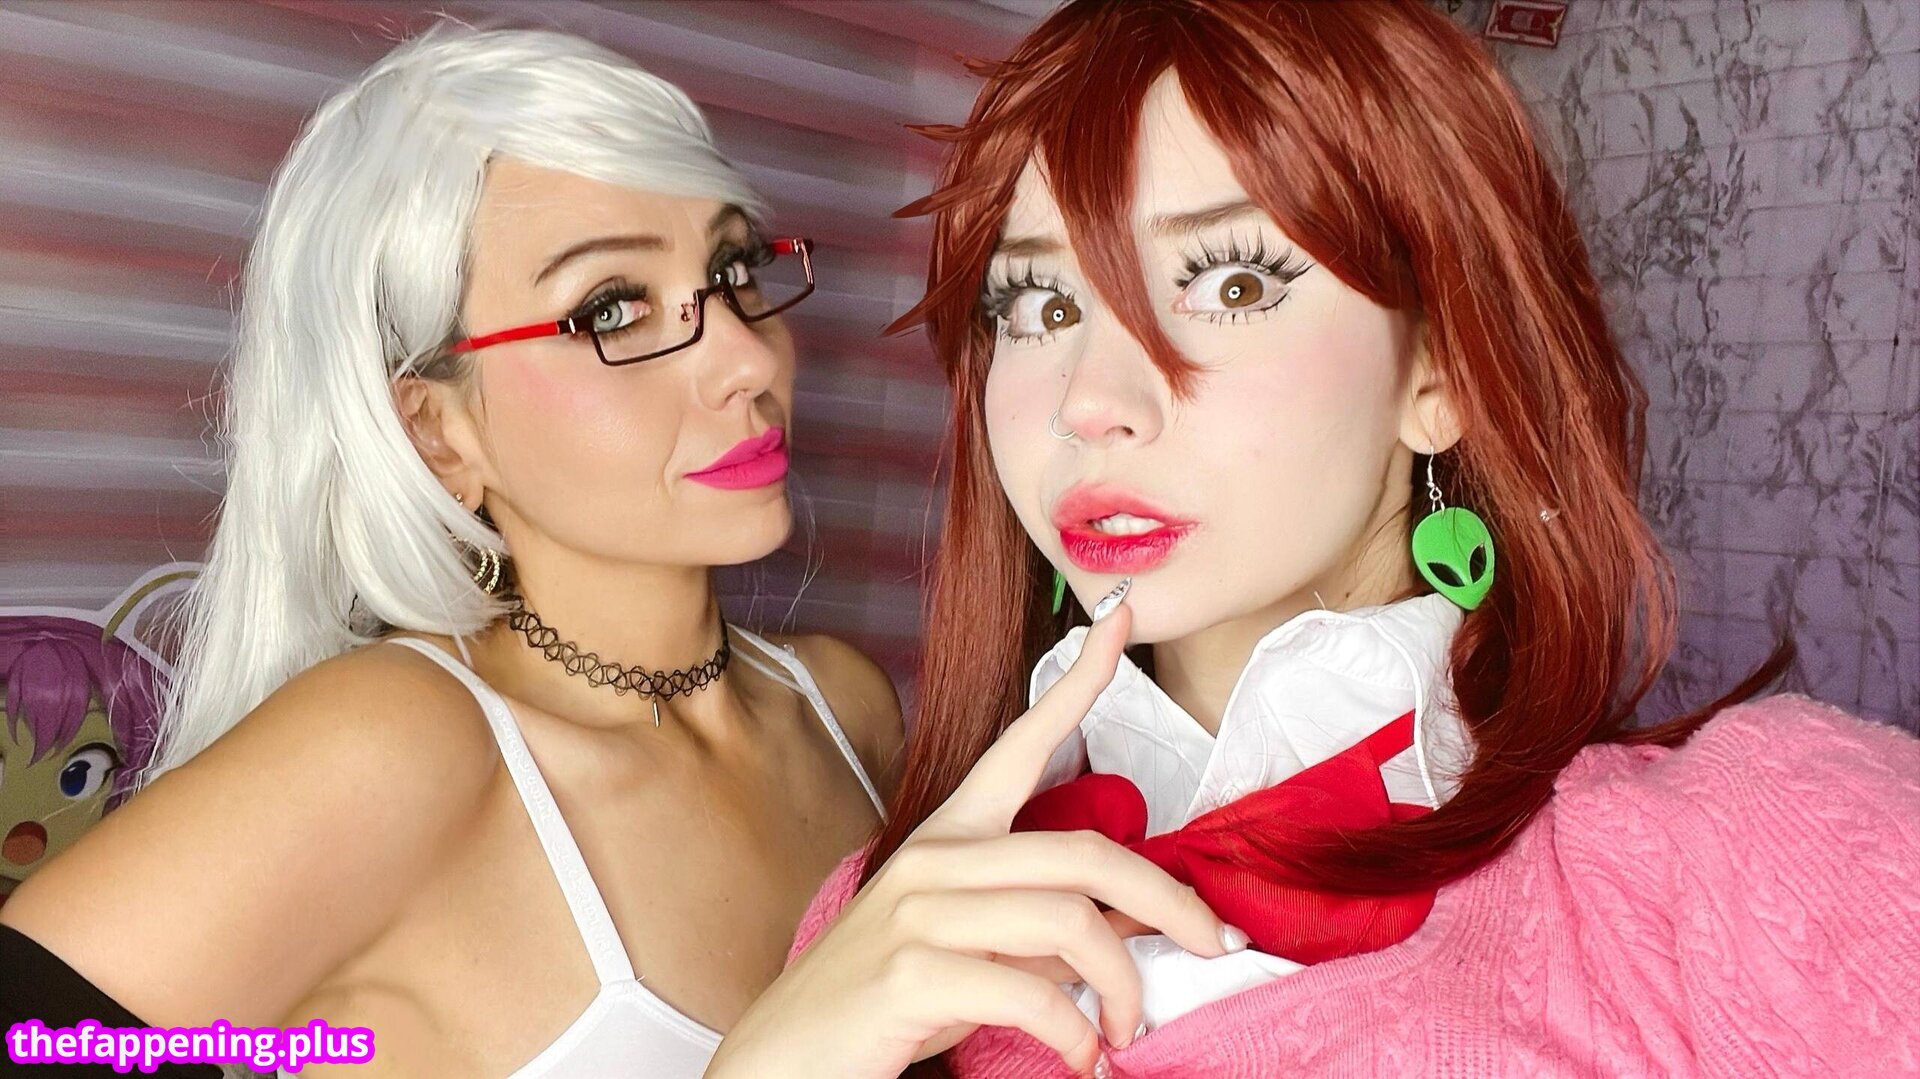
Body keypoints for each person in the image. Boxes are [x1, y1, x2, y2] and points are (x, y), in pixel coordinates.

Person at [706, 2, 1920, 1076]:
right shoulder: (889, 919)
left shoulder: (1765, 845)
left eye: (1230, 282)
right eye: (1039, 302)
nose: (1089, 399)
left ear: (1441, 369)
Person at [0, 25, 902, 1078]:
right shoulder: (403, 745)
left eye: (732, 267)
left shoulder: (845, 708)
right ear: (437, 431)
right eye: (612, 308)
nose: (745, 355)